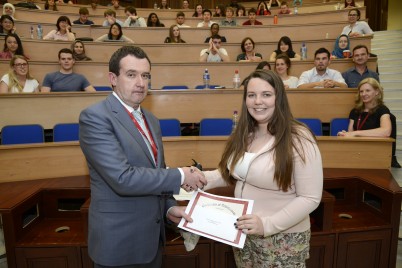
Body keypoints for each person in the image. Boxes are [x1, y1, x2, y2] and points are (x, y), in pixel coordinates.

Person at [79, 45, 207, 267]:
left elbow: (155, 173)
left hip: (151, 240)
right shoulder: (95, 117)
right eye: (131, 74)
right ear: (113, 78)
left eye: (145, 75)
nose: (140, 82)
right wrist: (180, 175)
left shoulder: (151, 119)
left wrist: (168, 208)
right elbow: (122, 178)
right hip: (119, 245)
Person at [202, 69, 323, 267]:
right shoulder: (245, 133)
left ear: (279, 98)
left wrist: (266, 225)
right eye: (251, 95)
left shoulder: (299, 137)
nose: (258, 101)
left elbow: (310, 198)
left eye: (266, 94)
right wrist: (197, 179)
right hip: (244, 234)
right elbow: (230, 173)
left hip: (282, 239)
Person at [337, 78, 400, 168]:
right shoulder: (354, 111)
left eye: (367, 91)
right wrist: (345, 134)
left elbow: (386, 131)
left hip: (375, 154)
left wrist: (356, 133)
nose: (364, 94)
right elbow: (350, 134)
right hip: (357, 153)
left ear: (377, 92)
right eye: (361, 91)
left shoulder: (382, 110)